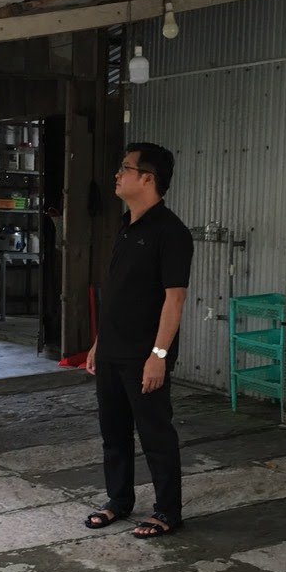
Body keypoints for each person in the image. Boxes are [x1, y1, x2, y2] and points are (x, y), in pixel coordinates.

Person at [84, 143, 194, 538]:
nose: (117, 175)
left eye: (125, 168)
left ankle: (167, 511)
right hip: (112, 350)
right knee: (113, 433)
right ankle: (118, 500)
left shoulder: (171, 232)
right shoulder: (126, 226)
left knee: (155, 434)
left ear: (147, 178)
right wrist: (99, 342)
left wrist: (158, 354)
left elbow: (174, 299)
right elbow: (118, 293)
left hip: (145, 354)